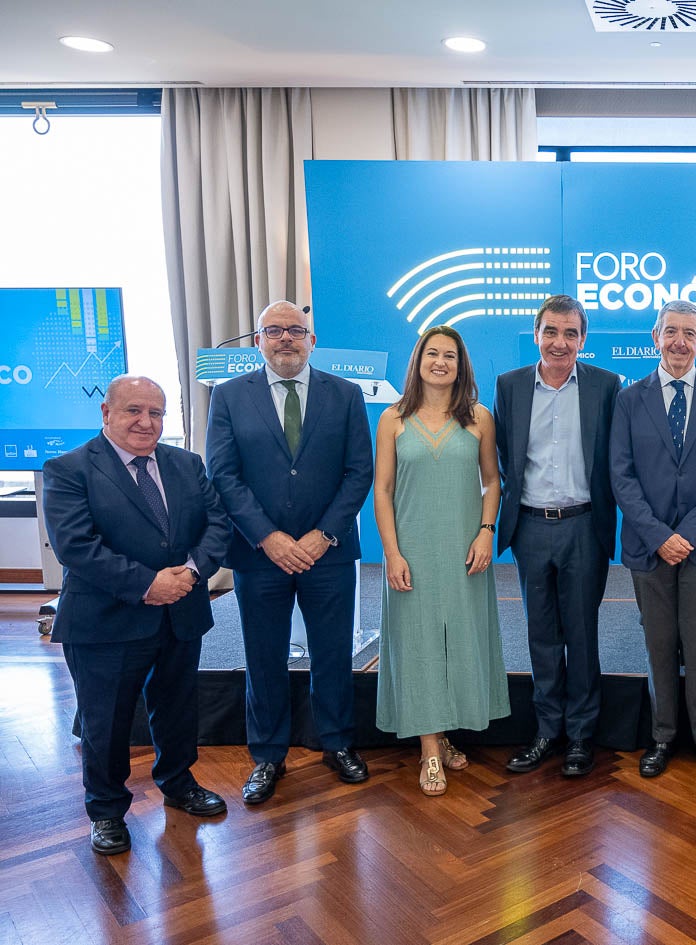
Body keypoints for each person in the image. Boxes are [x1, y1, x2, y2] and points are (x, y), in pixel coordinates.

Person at [43, 376, 231, 855]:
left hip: (181, 614)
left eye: (156, 412)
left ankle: (178, 782)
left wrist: (188, 574)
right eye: (134, 411)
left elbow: (217, 525)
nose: (146, 422)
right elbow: (76, 547)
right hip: (106, 622)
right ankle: (106, 810)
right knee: (105, 721)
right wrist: (148, 584)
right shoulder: (69, 470)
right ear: (106, 412)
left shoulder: (186, 464)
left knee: (176, 707)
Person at [207, 300, 375, 804]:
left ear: (311, 340)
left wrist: (323, 535)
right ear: (258, 340)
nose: (286, 338)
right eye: (274, 331)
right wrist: (268, 537)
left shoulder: (343, 394)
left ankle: (338, 743)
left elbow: (358, 472)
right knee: (263, 657)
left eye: (295, 330)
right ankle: (267, 755)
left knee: (332, 654)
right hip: (261, 555)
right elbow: (224, 474)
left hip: (329, 552)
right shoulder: (229, 396)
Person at [373, 326, 510, 795]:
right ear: (418, 361)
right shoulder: (392, 419)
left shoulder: (479, 418)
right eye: (432, 353)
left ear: (460, 364)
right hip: (411, 549)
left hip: (464, 549)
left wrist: (486, 534)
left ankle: (446, 733)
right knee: (419, 645)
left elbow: (492, 482)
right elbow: (383, 490)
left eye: (449, 355)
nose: (440, 362)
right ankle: (430, 750)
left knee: (458, 642)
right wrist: (391, 553)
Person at [611, 301, 696, 779]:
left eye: (690, 333)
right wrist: (660, 536)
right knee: (659, 645)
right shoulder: (629, 399)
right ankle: (663, 736)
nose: (680, 341)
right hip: (649, 548)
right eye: (671, 331)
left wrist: (686, 535)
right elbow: (620, 476)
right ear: (655, 336)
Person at [494, 295, 619, 777]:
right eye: (551, 331)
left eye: (570, 333)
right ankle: (548, 730)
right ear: (536, 334)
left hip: (584, 526)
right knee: (541, 634)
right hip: (529, 526)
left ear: (583, 339)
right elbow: (506, 454)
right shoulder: (509, 385)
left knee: (582, 635)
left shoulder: (606, 386)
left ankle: (582, 736)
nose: (560, 341)